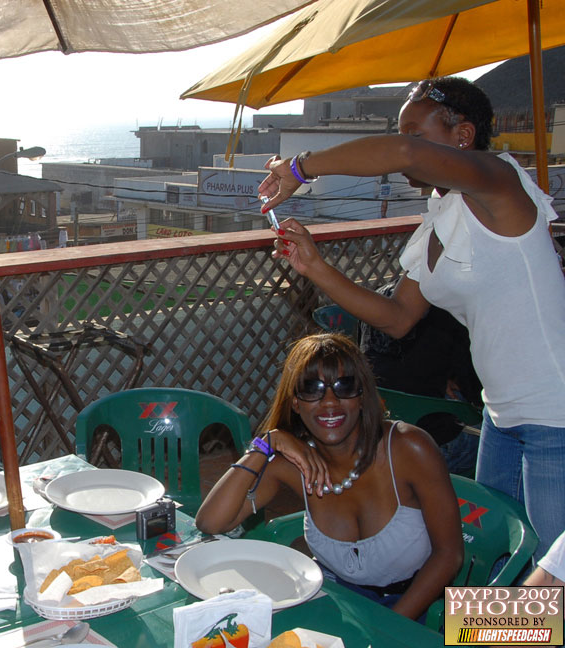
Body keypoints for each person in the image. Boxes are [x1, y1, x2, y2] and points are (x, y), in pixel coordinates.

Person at [259, 76, 565, 559]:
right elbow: (398, 316)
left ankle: (479, 636)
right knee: (497, 557)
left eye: (417, 134)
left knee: (552, 577)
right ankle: (477, 637)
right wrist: (314, 265)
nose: (406, 146)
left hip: (555, 413)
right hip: (501, 416)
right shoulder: (442, 215)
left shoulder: (499, 181)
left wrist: (300, 166)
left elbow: (403, 154)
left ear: (462, 137)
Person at [196, 333, 463, 620]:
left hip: (419, 609)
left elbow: (449, 554)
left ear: (362, 396)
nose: (330, 402)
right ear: (295, 403)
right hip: (339, 603)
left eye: (344, 386)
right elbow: (210, 522)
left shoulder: (408, 447)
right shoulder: (293, 466)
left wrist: (390, 627)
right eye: (312, 389)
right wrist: (265, 444)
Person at [358, 279, 483, 474]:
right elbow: (476, 390)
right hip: (435, 444)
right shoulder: (449, 311)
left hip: (380, 438)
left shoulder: (375, 303)